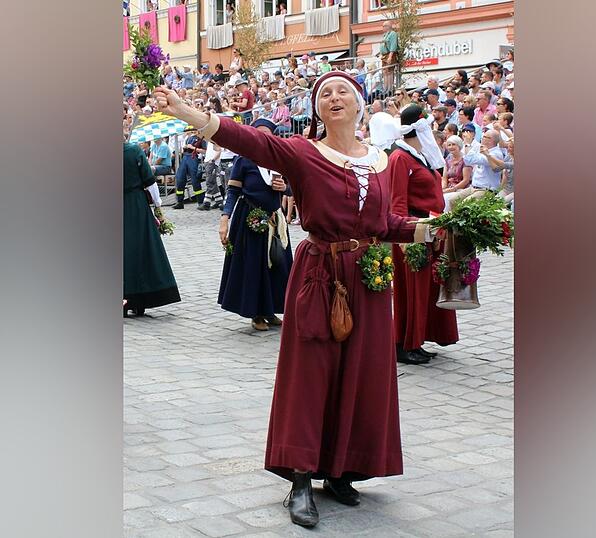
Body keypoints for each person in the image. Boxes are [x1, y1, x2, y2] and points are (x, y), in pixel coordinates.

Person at [153, 70, 437, 529]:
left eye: (344, 90)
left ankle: (344, 470)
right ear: (316, 108)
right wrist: (189, 113)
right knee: (311, 372)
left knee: (364, 372)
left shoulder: (382, 161)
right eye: (325, 93)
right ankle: (301, 478)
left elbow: (387, 224)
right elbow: (249, 141)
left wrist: (437, 230)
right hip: (320, 272)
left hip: (368, 276)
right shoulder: (304, 153)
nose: (335, 97)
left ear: (362, 103)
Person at [384, 105, 459, 363]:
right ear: (419, 127)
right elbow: (398, 202)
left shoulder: (420, 156)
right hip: (413, 232)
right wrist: (407, 237)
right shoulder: (400, 158)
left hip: (431, 229)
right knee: (411, 291)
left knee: (426, 289)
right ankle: (405, 344)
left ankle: (419, 338)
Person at [218, 118, 293, 330]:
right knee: (254, 266)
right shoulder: (244, 160)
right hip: (249, 218)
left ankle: (271, 310)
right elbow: (233, 192)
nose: (261, 138)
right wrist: (225, 218)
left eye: (265, 134)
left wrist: (284, 188)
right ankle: (256, 313)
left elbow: (292, 190)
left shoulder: (280, 159)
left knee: (278, 264)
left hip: (275, 219)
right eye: (257, 133)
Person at [123, 141, 181, 315]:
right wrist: (158, 208)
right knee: (140, 250)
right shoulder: (133, 150)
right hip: (136, 206)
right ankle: (140, 301)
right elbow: (149, 181)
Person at [172, 130, 206, 209]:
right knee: (180, 179)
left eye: (195, 130)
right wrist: (184, 148)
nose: (194, 131)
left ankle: (200, 202)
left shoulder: (202, 139)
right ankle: (180, 202)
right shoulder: (189, 138)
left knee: (195, 181)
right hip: (185, 158)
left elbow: (204, 151)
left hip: (193, 158)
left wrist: (193, 148)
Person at [379, 20, 399, 92]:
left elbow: (393, 45)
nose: (383, 28)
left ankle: (389, 88)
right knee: (384, 71)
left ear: (389, 26)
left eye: (384, 26)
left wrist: (390, 56)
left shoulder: (393, 34)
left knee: (389, 71)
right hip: (384, 55)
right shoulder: (385, 35)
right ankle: (385, 88)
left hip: (389, 54)